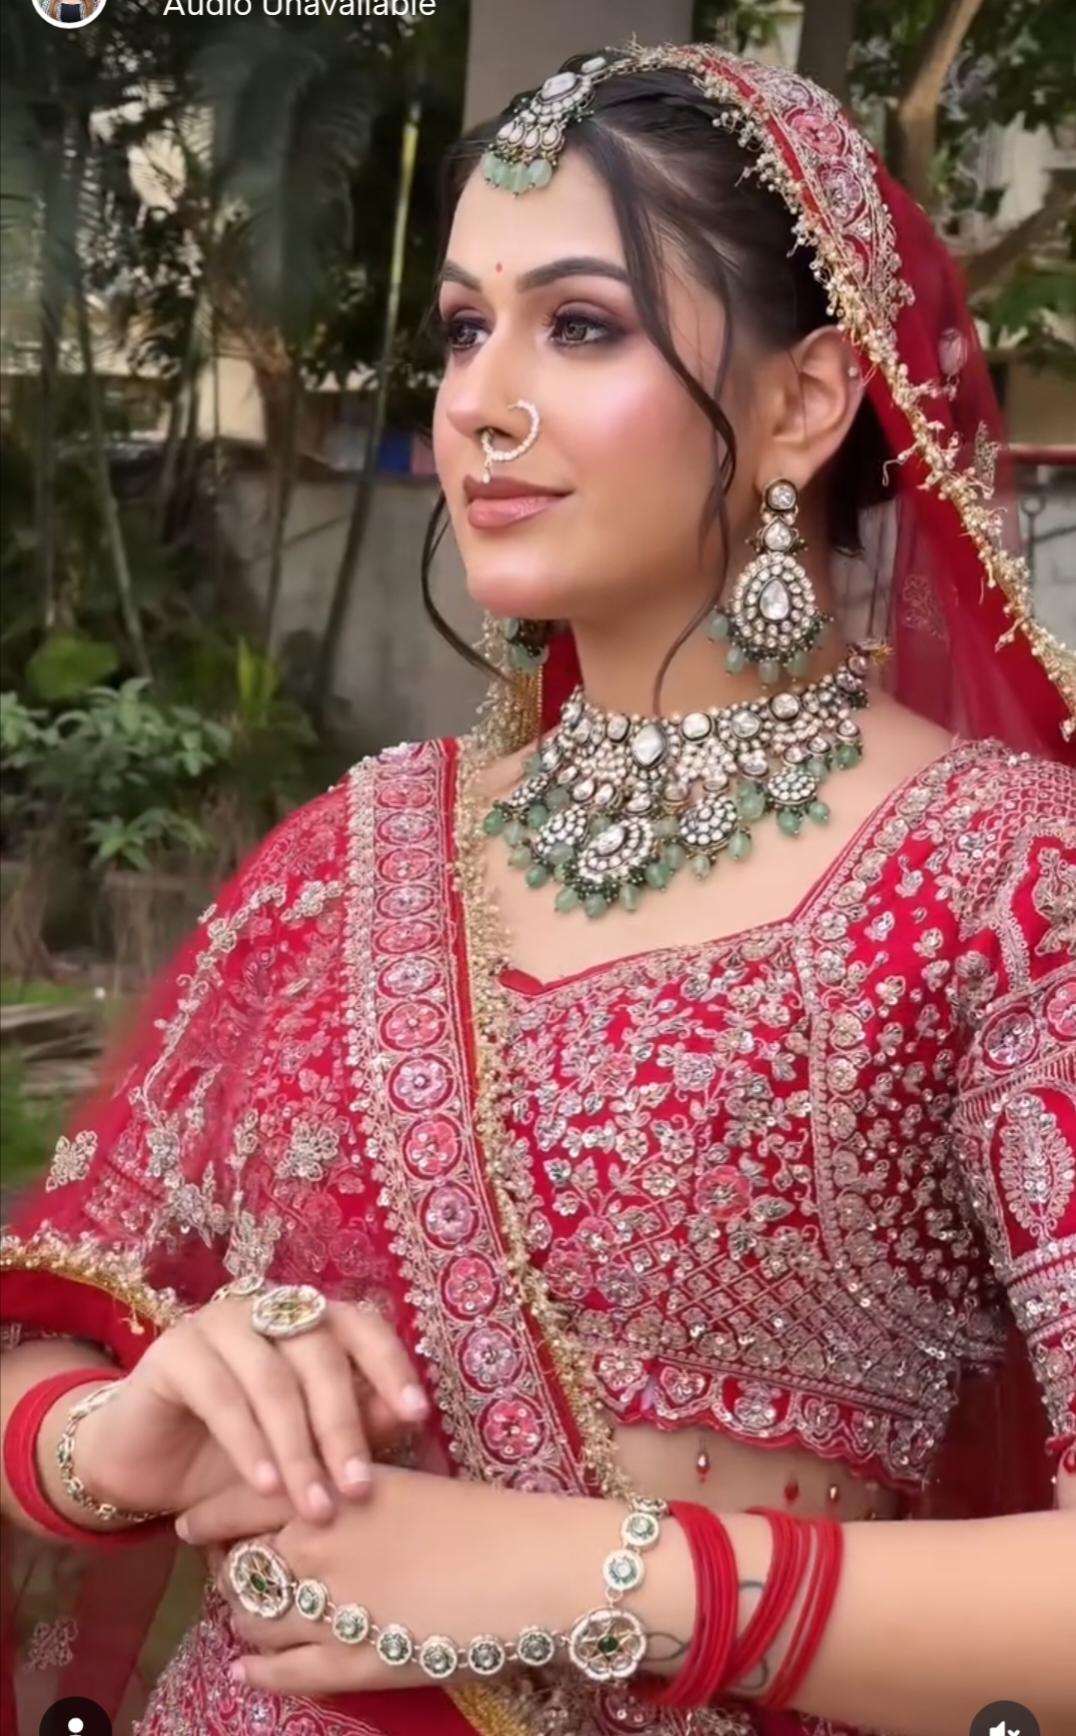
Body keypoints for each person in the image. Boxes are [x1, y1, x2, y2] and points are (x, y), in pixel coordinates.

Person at [2, 40, 1074, 1736]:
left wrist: (591, 1575)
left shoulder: (1008, 880)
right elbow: (52, 1323)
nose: (479, 403)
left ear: (804, 402)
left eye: (580, 326)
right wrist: (105, 1440)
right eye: (460, 329)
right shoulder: (348, 857)